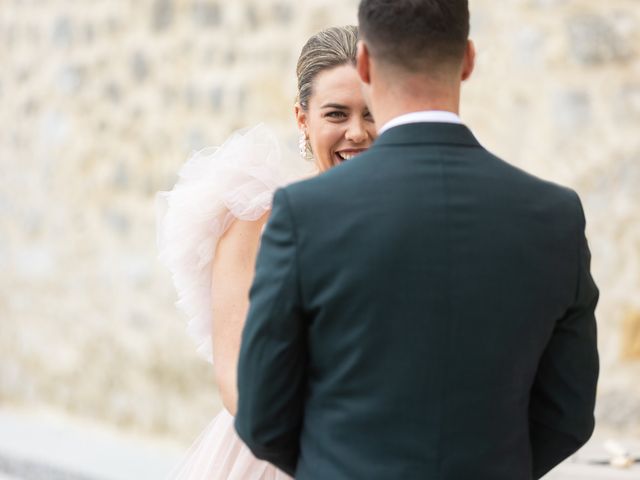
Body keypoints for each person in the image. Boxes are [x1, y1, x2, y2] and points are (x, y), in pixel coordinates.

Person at [235, 1, 600, 479]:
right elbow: (568, 413)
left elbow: (262, 415)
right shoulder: (555, 216)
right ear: (468, 59)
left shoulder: (304, 215)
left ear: (364, 64)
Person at [156, 25, 376, 479]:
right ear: (302, 118)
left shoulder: (405, 219)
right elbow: (237, 381)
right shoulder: (257, 217)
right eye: (336, 114)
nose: (357, 132)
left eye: (371, 113)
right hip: (280, 454)